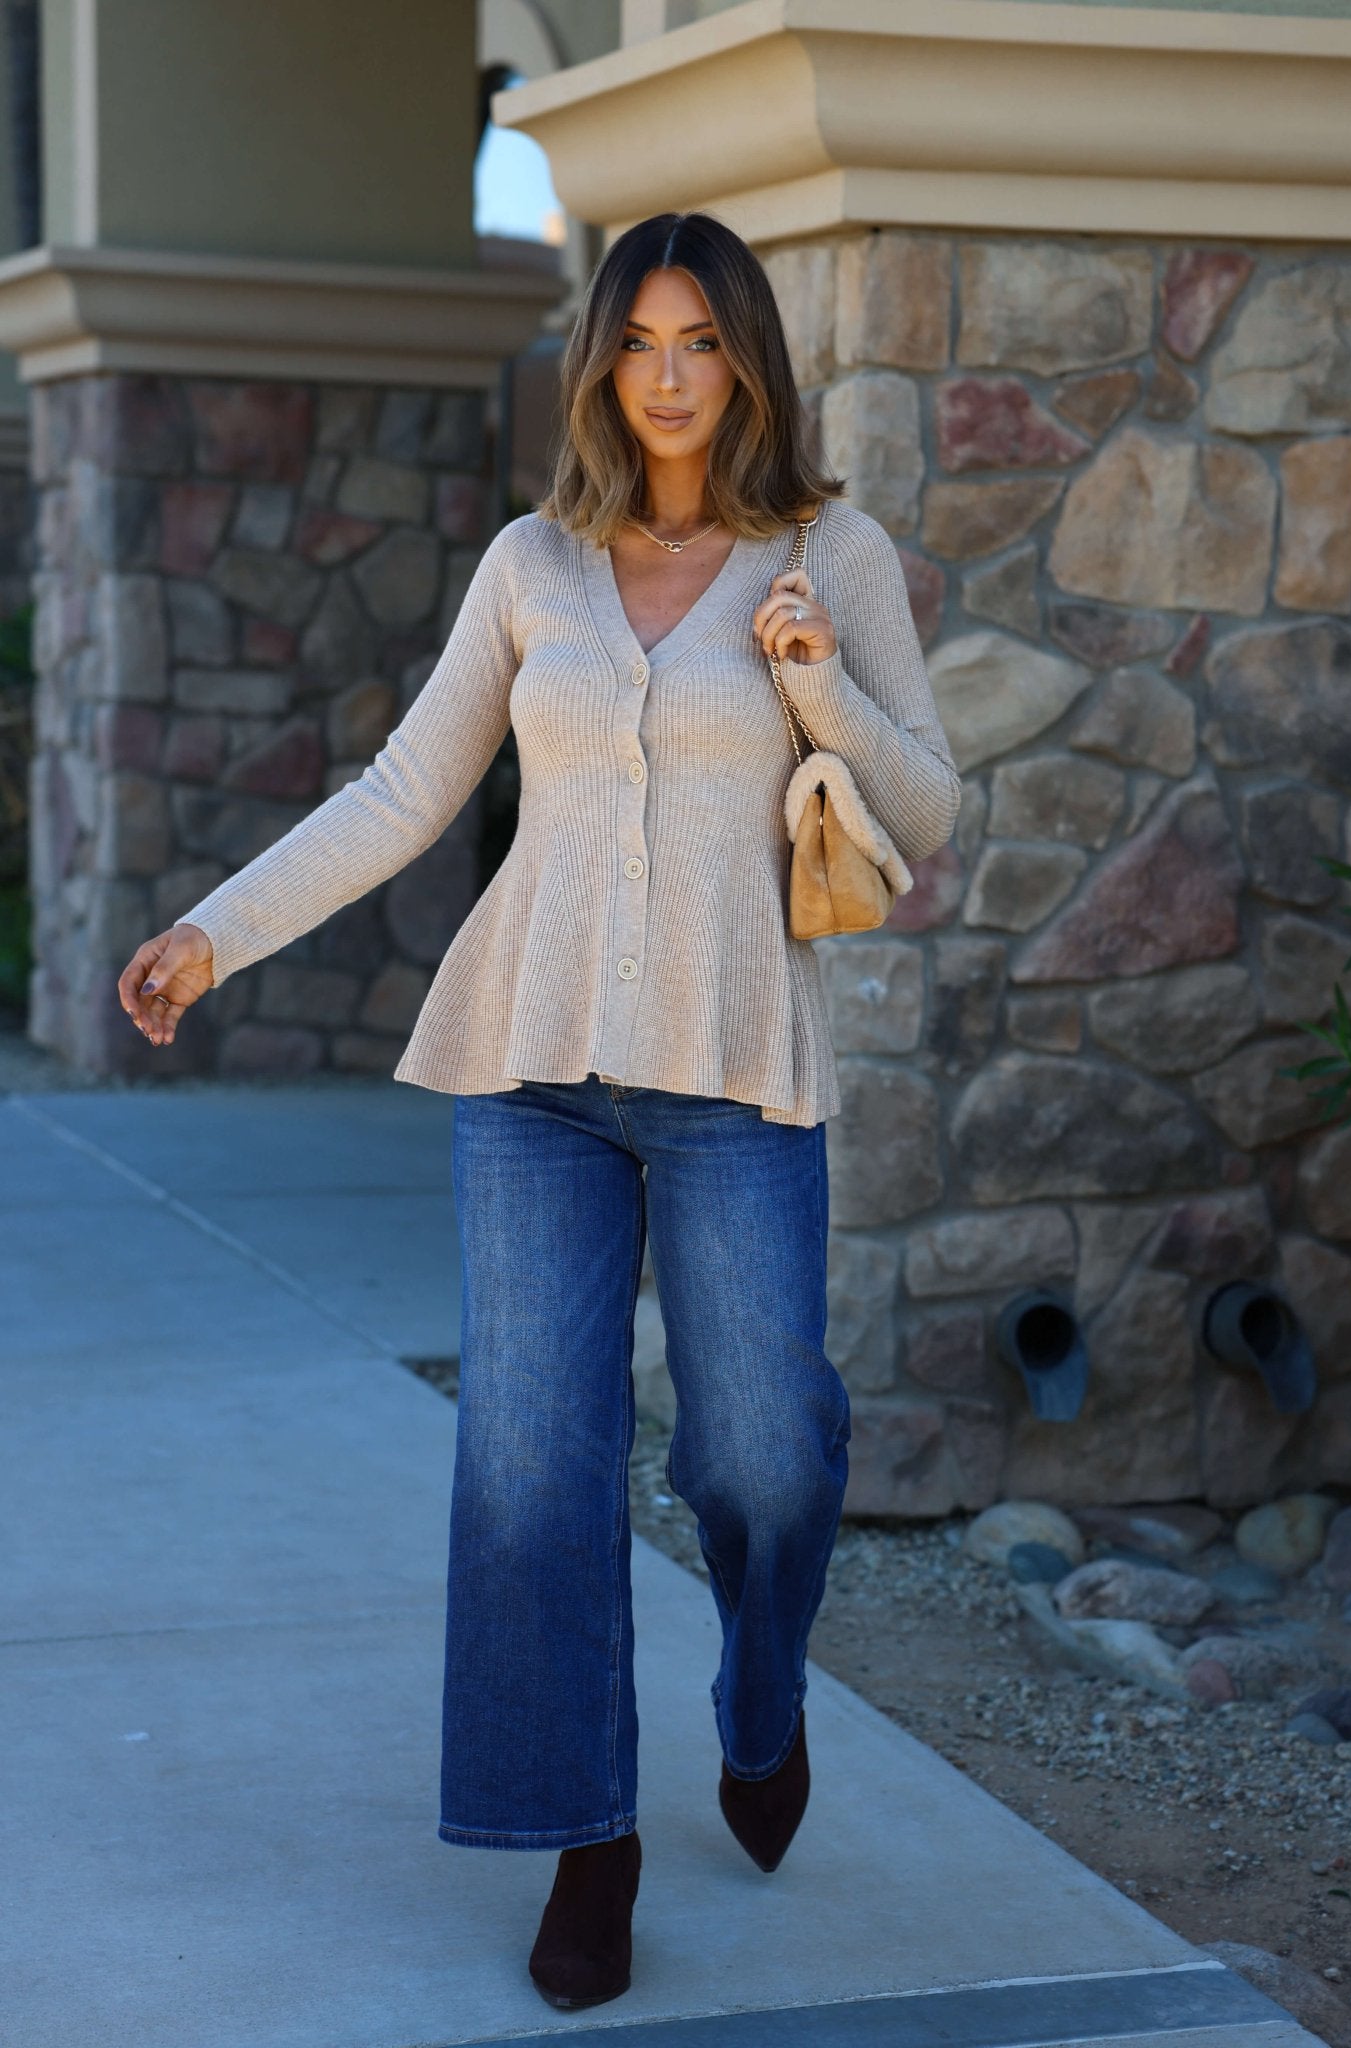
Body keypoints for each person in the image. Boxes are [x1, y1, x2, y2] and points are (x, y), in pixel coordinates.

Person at [117, 210, 962, 2012]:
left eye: (701, 343)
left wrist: (812, 679)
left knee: (762, 1453)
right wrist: (213, 932)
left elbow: (930, 801)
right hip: (529, 1076)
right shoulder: (533, 561)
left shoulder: (833, 548)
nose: (667, 377)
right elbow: (402, 792)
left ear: (748, 360)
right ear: (601, 361)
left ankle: (758, 1689)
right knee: (528, 1468)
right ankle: (589, 1840)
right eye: (639, 341)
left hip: (738, 1080)